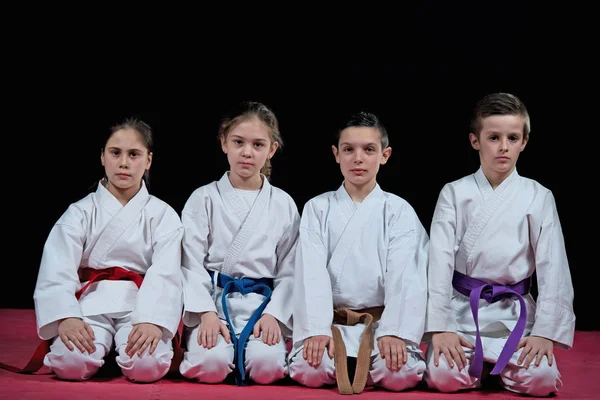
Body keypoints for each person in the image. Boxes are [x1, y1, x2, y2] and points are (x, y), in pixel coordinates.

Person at [423, 92, 575, 397]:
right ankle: (483, 368)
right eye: (493, 137)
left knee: (541, 381)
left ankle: (502, 366)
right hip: (463, 311)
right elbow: (438, 263)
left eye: (512, 137)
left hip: (515, 315)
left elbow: (553, 266)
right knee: (444, 377)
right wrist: (440, 327)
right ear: (475, 140)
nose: (503, 146)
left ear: (524, 142)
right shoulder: (454, 193)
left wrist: (545, 333)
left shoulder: (538, 196)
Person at [24, 118, 184, 382]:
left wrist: (153, 319)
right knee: (70, 363)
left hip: (140, 304)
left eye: (134, 154)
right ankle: (102, 347)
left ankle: (117, 349)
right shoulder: (79, 213)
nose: (124, 163)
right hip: (90, 301)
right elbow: (57, 268)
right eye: (115, 153)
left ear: (148, 160)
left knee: (148, 367)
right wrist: (66, 317)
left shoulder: (163, 215)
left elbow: (167, 273)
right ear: (102, 157)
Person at [288, 111, 429, 394]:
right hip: (332, 324)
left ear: (385, 155)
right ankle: (354, 365)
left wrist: (394, 331)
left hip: (379, 325)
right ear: (336, 154)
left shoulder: (398, 211)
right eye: (348, 149)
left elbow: (406, 277)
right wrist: (316, 328)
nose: (358, 158)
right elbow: (310, 275)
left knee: (401, 374)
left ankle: (358, 362)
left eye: (369, 149)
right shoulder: (317, 208)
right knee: (309, 369)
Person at [179, 101, 300, 386]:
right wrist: (205, 313)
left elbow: (291, 270)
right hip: (214, 301)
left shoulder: (283, 204)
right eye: (238, 142)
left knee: (267, 368)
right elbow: (189, 263)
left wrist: (275, 314)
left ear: (271, 150)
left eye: (258, 145)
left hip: (262, 305)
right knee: (211, 366)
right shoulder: (203, 198)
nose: (247, 152)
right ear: (224, 144)